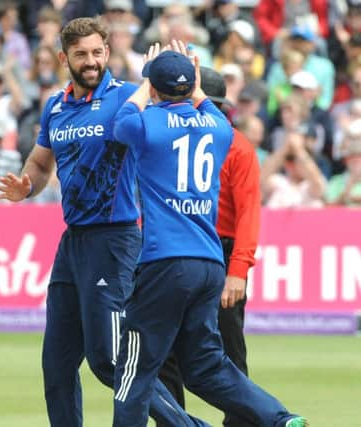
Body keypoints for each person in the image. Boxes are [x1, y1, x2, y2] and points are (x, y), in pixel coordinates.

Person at [111, 40, 308, 427]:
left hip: (165, 260)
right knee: (206, 366)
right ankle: (278, 418)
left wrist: (146, 77)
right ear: (194, 85)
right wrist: (192, 82)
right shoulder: (219, 129)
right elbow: (202, 104)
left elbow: (122, 122)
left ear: (155, 87)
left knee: (133, 367)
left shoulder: (147, 124)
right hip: (209, 263)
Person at [0, 16, 173, 427]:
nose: (90, 61)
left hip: (115, 240)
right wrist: (28, 185)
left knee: (110, 361)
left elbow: (171, 119)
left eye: (97, 53)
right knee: (56, 367)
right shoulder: (56, 107)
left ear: (107, 53)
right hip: (72, 242)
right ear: (64, 58)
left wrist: (174, 77)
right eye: (81, 54)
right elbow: (41, 163)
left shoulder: (129, 97)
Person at [158, 65, 263, 427]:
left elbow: (249, 212)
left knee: (227, 352)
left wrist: (238, 271)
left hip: (219, 249)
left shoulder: (237, 147)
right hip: (178, 246)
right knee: (165, 349)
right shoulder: (174, 139)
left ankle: (243, 422)